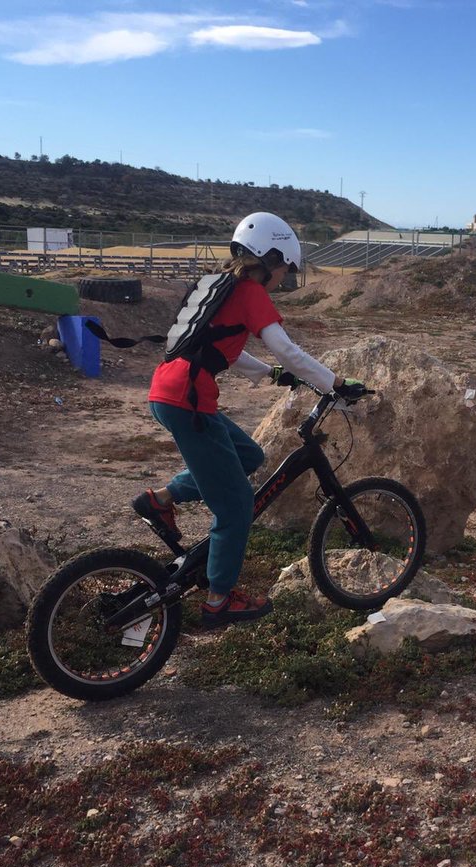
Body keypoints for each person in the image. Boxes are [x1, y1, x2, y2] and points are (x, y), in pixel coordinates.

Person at [135, 212, 363, 628]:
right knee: (237, 506)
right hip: (188, 402)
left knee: (249, 455)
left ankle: (160, 500)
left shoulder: (221, 285)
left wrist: (270, 375)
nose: (284, 277)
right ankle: (218, 601)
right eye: (285, 269)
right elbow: (287, 350)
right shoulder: (251, 291)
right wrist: (336, 383)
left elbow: (222, 347)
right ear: (270, 258)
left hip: (169, 392)